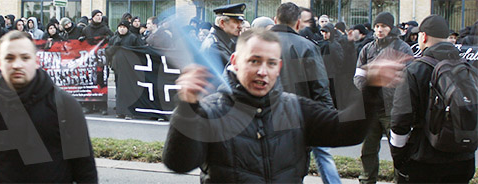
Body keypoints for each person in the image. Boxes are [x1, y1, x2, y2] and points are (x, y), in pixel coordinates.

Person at [163, 28, 406, 183]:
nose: (262, 71)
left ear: (278, 67)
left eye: (270, 63)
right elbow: (179, 163)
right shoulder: (212, 111)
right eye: (254, 61)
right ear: (235, 62)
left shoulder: (296, 108)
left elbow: (348, 131)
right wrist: (187, 107)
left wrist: (372, 88)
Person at [0, 30, 98, 183]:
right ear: (0, 62)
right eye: (9, 58)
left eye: (25, 57)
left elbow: (85, 171)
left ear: (36, 61)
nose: (17, 65)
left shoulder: (65, 106)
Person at [390, 14, 476, 183]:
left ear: (424, 36)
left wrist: (398, 156)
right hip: (463, 158)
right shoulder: (467, 68)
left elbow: (400, 120)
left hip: (425, 160)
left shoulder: (415, 70)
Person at [270, 3, 339, 184]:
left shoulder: (257, 44)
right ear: (298, 23)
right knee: (293, 174)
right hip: (296, 122)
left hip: (263, 122)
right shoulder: (306, 46)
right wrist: (328, 121)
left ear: (275, 20)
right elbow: (320, 87)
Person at [353, 12, 414, 184]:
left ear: (391, 28)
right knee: (368, 150)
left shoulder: (403, 48)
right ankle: (367, 179)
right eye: (377, 26)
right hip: (371, 108)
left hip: (393, 110)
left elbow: (407, 78)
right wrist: (367, 89)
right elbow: (358, 75)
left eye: (383, 26)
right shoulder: (367, 49)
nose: (379, 30)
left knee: (398, 150)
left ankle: (400, 180)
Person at [80, 9, 113, 115]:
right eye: (97, 15)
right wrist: (81, 39)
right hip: (90, 61)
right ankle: (89, 105)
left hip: (101, 61)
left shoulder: (105, 28)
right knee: (90, 83)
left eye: (100, 15)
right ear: (93, 17)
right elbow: (82, 43)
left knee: (101, 83)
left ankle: (102, 106)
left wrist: (108, 39)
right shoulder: (86, 29)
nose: (99, 17)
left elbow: (113, 39)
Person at [200, 3, 245, 70]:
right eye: (236, 22)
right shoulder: (215, 46)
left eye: (241, 22)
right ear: (222, 23)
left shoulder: (224, 41)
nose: (240, 26)